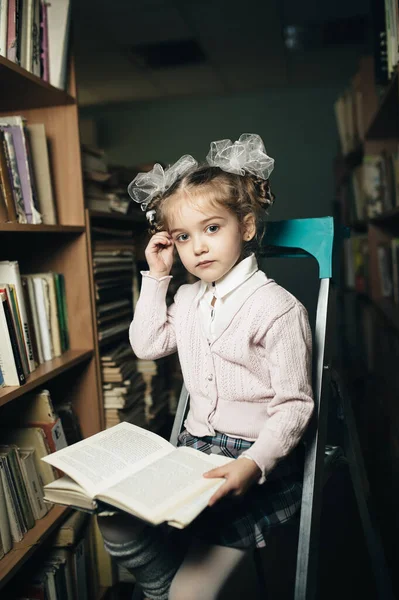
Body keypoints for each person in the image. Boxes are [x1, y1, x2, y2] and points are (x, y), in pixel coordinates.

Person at [97, 133, 314, 600]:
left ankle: (171, 589)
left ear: (248, 227)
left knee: (187, 593)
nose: (197, 248)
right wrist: (156, 278)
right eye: (182, 236)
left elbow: (295, 406)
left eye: (212, 228)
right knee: (114, 523)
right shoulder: (187, 296)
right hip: (193, 451)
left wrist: (253, 464)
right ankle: (163, 585)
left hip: (253, 462)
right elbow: (148, 344)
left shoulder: (277, 308)